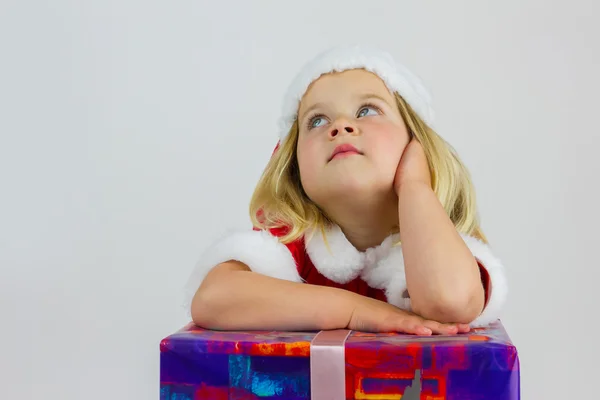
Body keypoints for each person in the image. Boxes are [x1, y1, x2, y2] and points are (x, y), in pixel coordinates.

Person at [183, 45, 507, 336]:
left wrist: (415, 186)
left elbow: (450, 302)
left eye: (367, 110)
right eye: (317, 121)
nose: (341, 126)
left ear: (417, 145)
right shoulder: (290, 243)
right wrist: (354, 311)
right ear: (293, 165)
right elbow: (212, 299)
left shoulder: (449, 246)